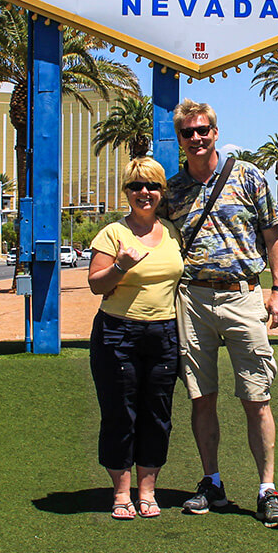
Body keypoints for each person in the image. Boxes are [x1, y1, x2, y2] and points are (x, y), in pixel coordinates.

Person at [165, 99, 278, 528]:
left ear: (215, 132)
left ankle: (267, 490)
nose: (197, 138)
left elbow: (273, 235)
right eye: (188, 132)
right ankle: (211, 482)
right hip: (193, 300)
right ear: (180, 139)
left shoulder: (249, 175)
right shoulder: (173, 189)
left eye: (203, 130)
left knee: (256, 397)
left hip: (243, 297)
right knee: (202, 397)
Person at [87, 157, 183, 520]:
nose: (145, 193)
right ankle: (121, 492)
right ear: (126, 192)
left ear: (162, 191)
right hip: (118, 333)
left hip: (164, 333)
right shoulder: (114, 233)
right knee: (119, 413)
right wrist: (121, 266)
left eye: (153, 186)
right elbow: (96, 284)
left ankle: (147, 491)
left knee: (158, 414)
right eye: (137, 186)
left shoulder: (173, 231)